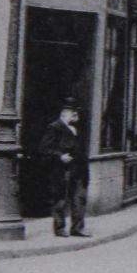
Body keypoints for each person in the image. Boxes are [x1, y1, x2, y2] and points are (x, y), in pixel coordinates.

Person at [39, 101, 90, 237]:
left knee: (79, 198)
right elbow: (44, 148)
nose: (76, 115)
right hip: (62, 170)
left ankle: (77, 228)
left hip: (79, 170)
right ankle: (60, 228)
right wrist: (60, 156)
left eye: (76, 113)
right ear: (65, 114)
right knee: (60, 199)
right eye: (74, 113)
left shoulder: (77, 128)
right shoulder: (54, 127)